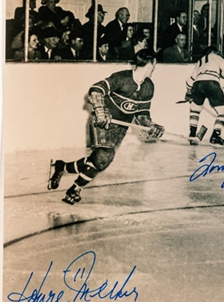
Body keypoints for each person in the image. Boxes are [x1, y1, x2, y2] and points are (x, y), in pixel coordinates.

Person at [47, 49, 164, 205]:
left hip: (120, 127)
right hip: (103, 121)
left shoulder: (148, 86)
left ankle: (62, 167)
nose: (155, 67)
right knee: (104, 157)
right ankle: (75, 189)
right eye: (155, 64)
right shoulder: (122, 78)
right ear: (152, 63)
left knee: (98, 160)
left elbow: (142, 114)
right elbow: (96, 90)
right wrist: (101, 110)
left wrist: (151, 125)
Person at [185, 47, 224, 146]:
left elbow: (189, 81)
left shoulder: (200, 61)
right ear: (213, 52)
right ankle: (216, 135)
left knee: (195, 108)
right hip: (212, 83)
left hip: (197, 83)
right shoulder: (217, 57)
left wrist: (189, 93)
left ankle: (192, 133)